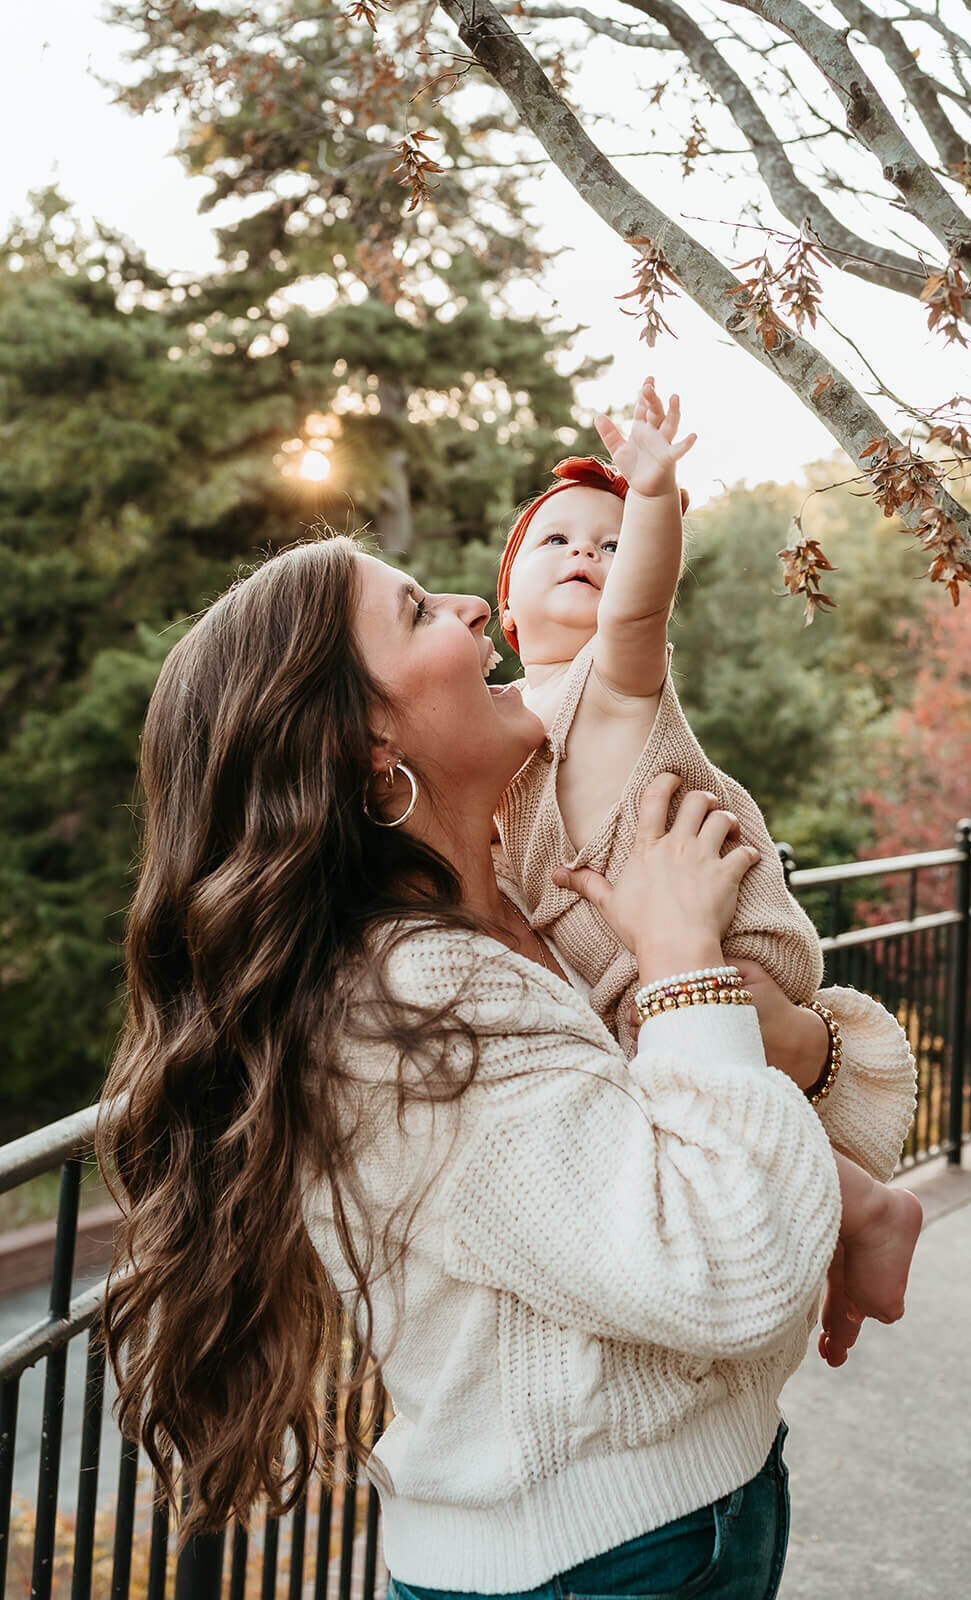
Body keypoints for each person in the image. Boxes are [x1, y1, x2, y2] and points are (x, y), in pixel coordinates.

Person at [97, 535, 917, 1599]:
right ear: (365, 744)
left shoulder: (508, 916)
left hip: (693, 1509)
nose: (471, 607)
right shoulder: (404, 1009)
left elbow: (764, 1136)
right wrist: (680, 966)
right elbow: (731, 1267)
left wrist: (775, 1029)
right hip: (594, 1562)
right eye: (415, 611)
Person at [495, 378, 922, 1363]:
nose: (587, 555)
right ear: (506, 609)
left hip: (718, 935)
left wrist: (651, 497)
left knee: (668, 1058)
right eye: (555, 541)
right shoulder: (506, 714)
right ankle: (831, 1226)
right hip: (629, 959)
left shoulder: (605, 680)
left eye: (606, 542)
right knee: (666, 1097)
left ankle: (864, 1211)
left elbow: (639, 613)